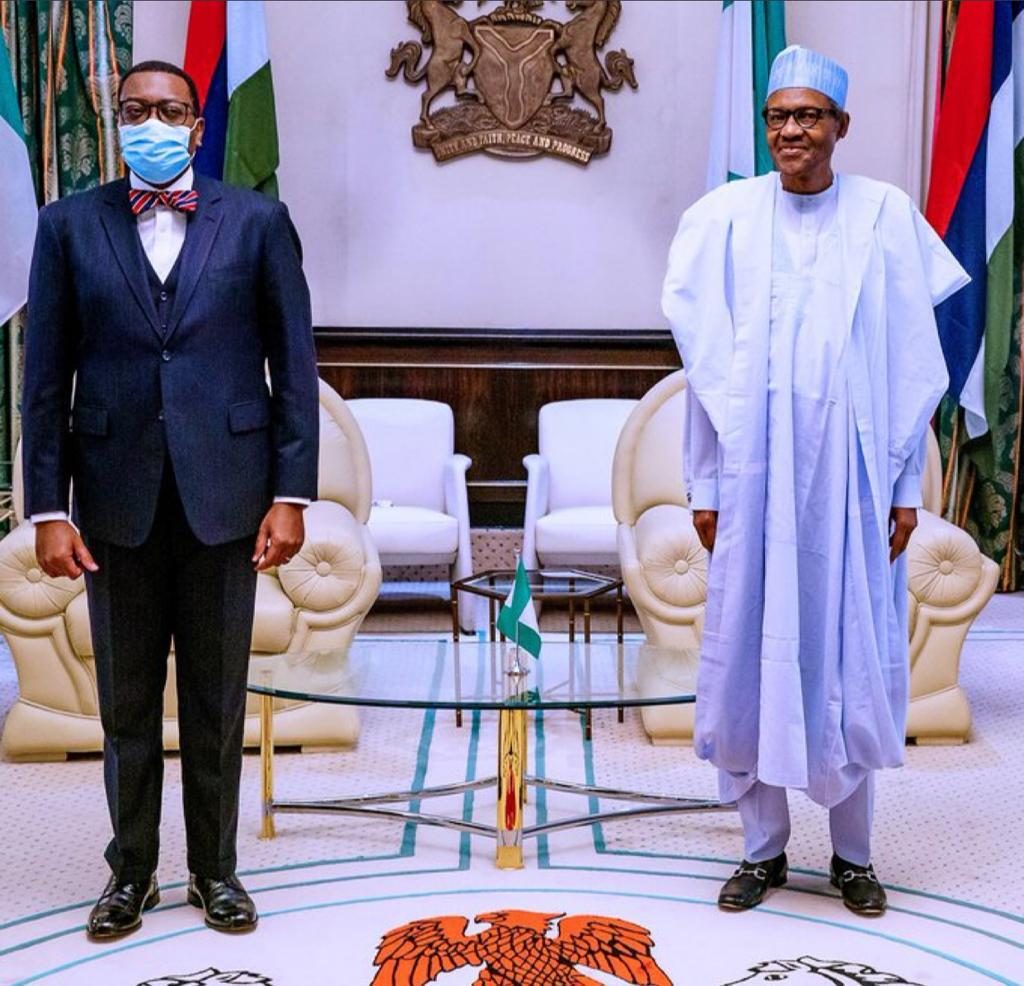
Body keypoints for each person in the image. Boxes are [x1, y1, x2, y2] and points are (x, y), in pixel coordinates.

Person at [661, 45, 969, 916]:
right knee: (752, 657)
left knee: (847, 654)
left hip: (851, 480)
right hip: (754, 476)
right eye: (778, 116)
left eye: (807, 115)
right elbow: (705, 377)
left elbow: (911, 364)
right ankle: (761, 849)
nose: (790, 130)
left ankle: (854, 856)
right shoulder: (723, 218)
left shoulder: (884, 215)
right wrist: (706, 488)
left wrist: (905, 487)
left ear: (841, 124)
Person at [22, 60, 319, 940]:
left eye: (169, 110)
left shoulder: (258, 222)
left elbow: (293, 366)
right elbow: (45, 380)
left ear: (197, 125)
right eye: (135, 110)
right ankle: (131, 873)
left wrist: (291, 493)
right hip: (112, 502)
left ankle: (215, 871)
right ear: (118, 123)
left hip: (228, 499)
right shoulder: (67, 225)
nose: (151, 122)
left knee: (217, 700)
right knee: (125, 704)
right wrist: (48, 509)